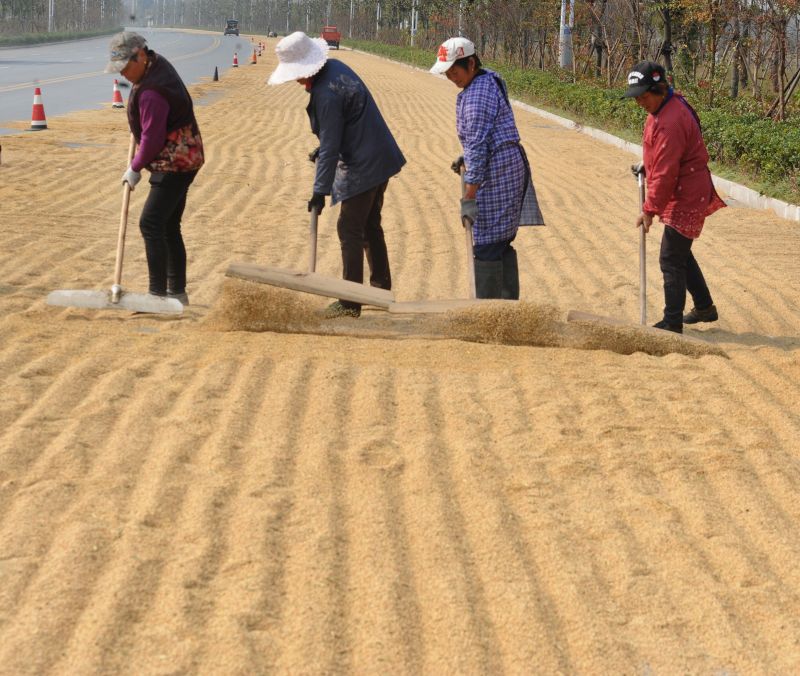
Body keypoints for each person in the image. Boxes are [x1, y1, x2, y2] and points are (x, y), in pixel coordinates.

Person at [268, 32, 406, 318]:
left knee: (348, 228)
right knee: (369, 225)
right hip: (380, 155)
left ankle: (350, 301)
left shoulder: (324, 94)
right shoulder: (336, 67)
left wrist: (319, 192)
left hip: (365, 164)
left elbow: (332, 146)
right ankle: (380, 291)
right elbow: (347, 122)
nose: (297, 81)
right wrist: (323, 149)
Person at [431, 37, 543, 299]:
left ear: (471, 63)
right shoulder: (486, 79)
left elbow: (479, 146)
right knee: (500, 240)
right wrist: (466, 155)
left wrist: (469, 195)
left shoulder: (476, 96)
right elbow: (482, 137)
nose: (452, 78)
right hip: (506, 163)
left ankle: (490, 314)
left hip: (499, 171)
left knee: (487, 244)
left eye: (455, 72)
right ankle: (507, 309)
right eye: (447, 74)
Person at [624, 61, 725, 333]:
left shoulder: (671, 119)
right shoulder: (663, 108)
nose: (640, 103)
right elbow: (660, 155)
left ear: (660, 89)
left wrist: (649, 210)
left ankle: (672, 322)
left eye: (644, 96)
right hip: (684, 186)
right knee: (680, 253)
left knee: (670, 258)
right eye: (636, 97)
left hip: (687, 192)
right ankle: (704, 307)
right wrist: (647, 164)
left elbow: (667, 172)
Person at [105, 31, 204, 304]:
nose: (123, 74)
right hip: (186, 155)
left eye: (125, 66)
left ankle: (158, 295)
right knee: (169, 225)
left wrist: (135, 168)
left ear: (140, 56)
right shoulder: (155, 65)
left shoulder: (152, 91)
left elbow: (151, 139)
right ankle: (177, 295)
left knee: (150, 223)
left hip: (175, 161)